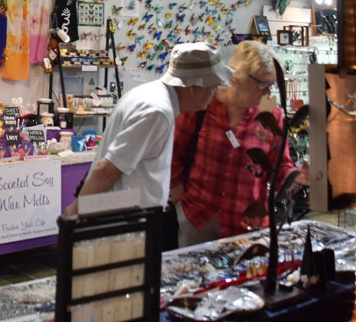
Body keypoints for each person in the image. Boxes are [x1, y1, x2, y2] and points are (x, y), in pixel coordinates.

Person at [65, 42, 232, 215]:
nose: (215, 91)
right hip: (121, 220)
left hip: (124, 213)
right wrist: (75, 212)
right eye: (212, 84)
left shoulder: (150, 95)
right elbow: (108, 169)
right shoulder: (158, 111)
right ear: (192, 86)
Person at [169, 39, 294, 247]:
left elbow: (282, 166)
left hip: (246, 223)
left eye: (271, 85)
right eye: (263, 83)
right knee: (193, 276)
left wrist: (296, 179)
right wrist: (180, 199)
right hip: (198, 216)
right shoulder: (202, 104)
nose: (268, 92)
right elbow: (173, 153)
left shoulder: (271, 115)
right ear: (238, 77)